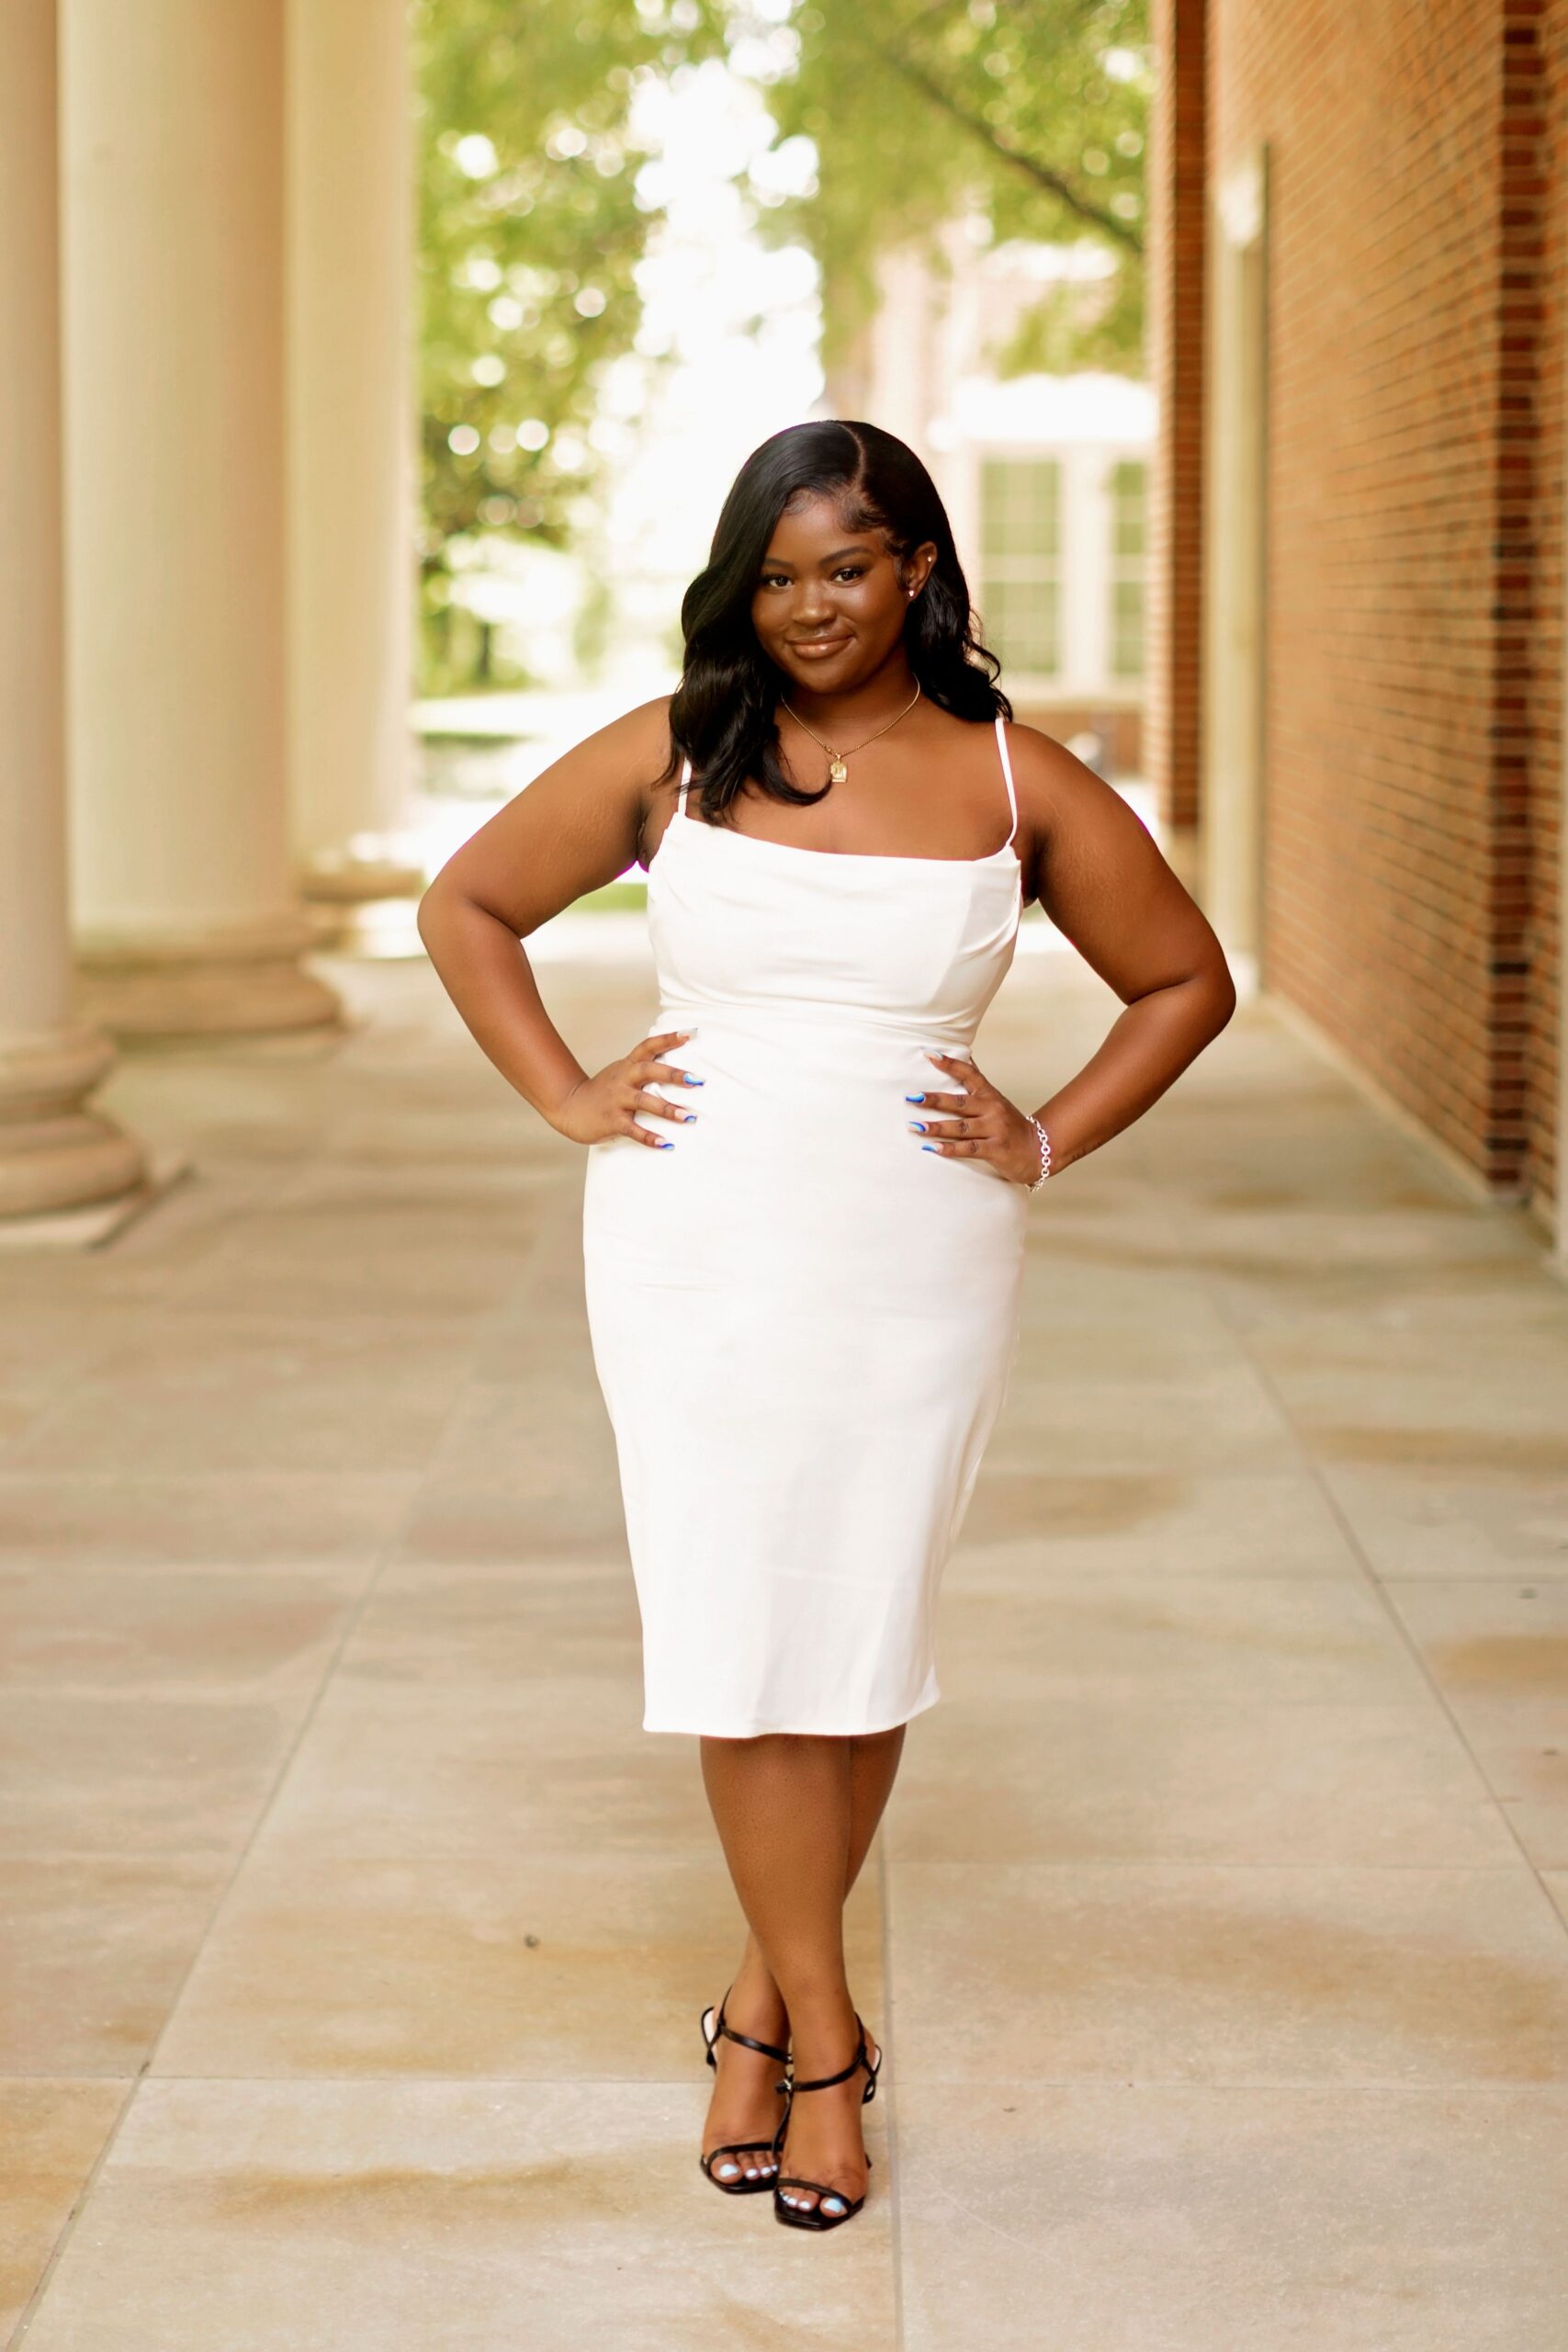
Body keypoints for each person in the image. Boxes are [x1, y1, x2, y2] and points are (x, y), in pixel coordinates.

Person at [418, 419, 1235, 2233]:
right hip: (694, 1237)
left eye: (845, 568)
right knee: (741, 1625)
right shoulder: (675, 752)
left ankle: (757, 2002)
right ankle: (825, 2042)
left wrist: (1045, 1132)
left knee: (850, 1628)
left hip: (914, 1252)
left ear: (918, 569)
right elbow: (465, 900)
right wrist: (561, 1089)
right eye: (775, 573)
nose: (808, 606)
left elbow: (1184, 978)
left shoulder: (1016, 779)